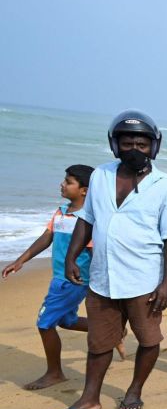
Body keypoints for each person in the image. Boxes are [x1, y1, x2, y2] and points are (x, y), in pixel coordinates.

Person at [52, 110, 167, 409]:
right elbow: (87, 220)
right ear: (115, 145)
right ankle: (90, 398)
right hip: (102, 277)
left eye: (141, 143)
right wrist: (71, 257)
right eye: (127, 143)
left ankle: (135, 390)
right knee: (99, 343)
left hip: (143, 281)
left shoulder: (165, 187)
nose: (134, 149)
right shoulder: (100, 176)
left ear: (153, 146)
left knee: (149, 340)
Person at [2, 165, 125, 389]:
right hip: (59, 277)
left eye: (69, 182)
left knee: (45, 323)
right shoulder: (61, 211)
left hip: (73, 281)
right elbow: (47, 237)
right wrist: (21, 260)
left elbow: (94, 252)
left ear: (85, 190)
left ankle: (55, 373)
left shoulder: (88, 220)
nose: (62, 184)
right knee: (66, 321)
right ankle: (115, 331)